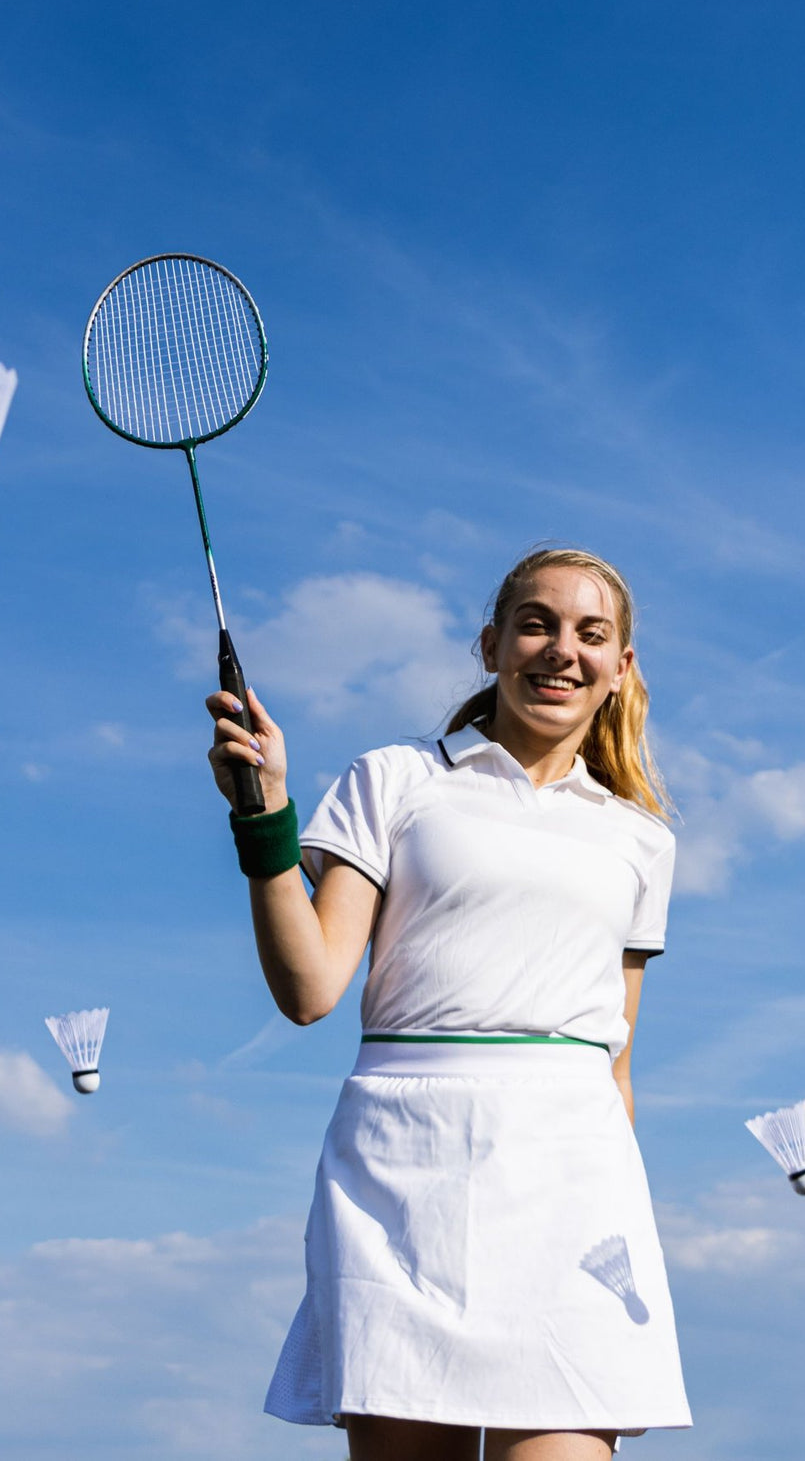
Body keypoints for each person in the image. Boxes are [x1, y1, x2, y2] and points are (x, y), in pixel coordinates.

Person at [206, 546, 691, 1461]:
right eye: (536, 622)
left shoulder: (641, 840)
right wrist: (262, 815)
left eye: (591, 634)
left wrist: (629, 1223)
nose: (561, 650)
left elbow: (616, 1062)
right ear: (491, 643)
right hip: (401, 1178)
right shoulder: (394, 780)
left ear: (621, 667)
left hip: (574, 1192)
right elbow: (310, 988)